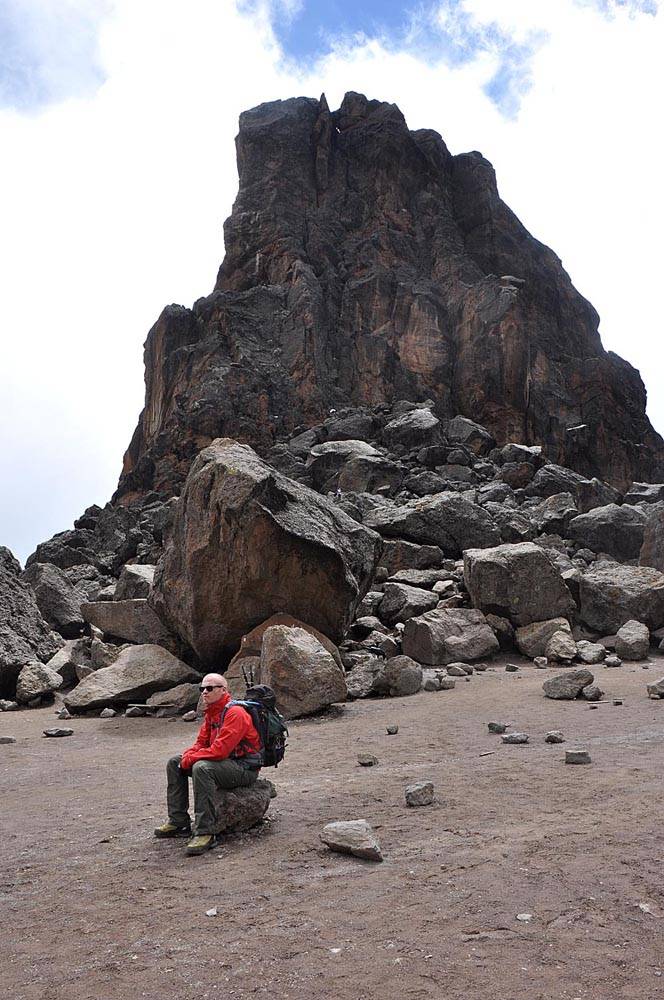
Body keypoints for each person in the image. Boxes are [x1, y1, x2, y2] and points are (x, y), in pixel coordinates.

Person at [154, 673, 262, 855]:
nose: (204, 692)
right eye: (202, 688)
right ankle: (178, 821)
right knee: (174, 762)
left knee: (202, 768)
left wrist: (190, 759)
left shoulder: (235, 713)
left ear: (223, 690)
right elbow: (201, 743)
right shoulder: (212, 713)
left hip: (244, 768)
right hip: (225, 764)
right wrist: (187, 756)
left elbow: (220, 751)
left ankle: (205, 832)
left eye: (210, 688)